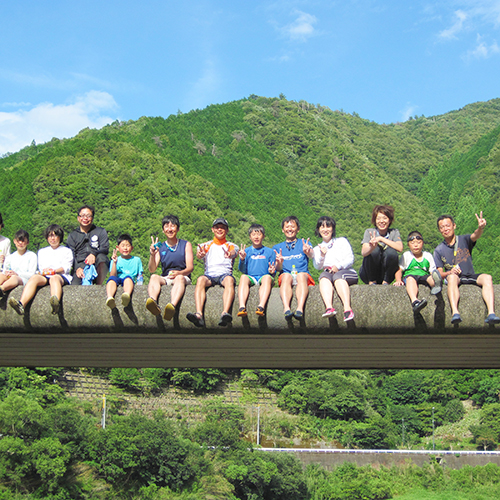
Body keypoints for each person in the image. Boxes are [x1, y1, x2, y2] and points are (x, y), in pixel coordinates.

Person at [434, 212, 500, 325]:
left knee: (487, 277)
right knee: (452, 278)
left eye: (447, 225)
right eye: (442, 227)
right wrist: (450, 272)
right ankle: (455, 313)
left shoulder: (463, 239)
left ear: (454, 226)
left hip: (470, 274)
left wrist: (480, 228)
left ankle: (491, 313)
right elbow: (439, 273)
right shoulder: (438, 250)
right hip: (456, 277)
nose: (445, 229)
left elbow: (475, 235)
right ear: (439, 230)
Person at [9, 224, 73, 316]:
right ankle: (21, 304)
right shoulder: (42, 251)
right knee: (35, 277)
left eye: (55, 235)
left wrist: (54, 271)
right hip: (46, 276)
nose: (53, 238)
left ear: (60, 237)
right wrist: (45, 271)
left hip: (61, 276)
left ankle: (55, 303)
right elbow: (42, 268)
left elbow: (66, 267)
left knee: (54, 278)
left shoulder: (66, 251)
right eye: (50, 236)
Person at [186, 217, 238, 327]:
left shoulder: (231, 245)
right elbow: (200, 253)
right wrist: (200, 255)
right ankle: (199, 314)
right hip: (209, 274)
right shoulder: (206, 245)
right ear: (212, 229)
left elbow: (234, 252)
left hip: (225, 274)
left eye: (223, 228)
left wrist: (230, 254)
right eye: (217, 227)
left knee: (229, 281)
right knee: (200, 280)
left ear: (227, 230)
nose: (220, 230)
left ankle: (225, 313)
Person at [146, 215, 193, 320]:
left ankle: (172, 306)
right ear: (163, 230)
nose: (170, 229)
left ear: (178, 229)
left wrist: (179, 273)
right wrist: (152, 254)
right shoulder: (160, 246)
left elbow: (190, 267)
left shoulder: (186, 244)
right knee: (154, 276)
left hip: (182, 276)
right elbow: (152, 269)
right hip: (167, 277)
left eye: (173, 226)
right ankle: (152, 301)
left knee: (179, 278)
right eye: (167, 226)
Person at [312, 216, 358, 321]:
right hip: (329, 273)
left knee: (338, 276)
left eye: (328, 226)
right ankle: (329, 308)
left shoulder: (342, 241)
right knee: (323, 276)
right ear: (318, 230)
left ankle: (347, 309)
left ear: (333, 229)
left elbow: (350, 259)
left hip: (346, 272)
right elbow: (317, 266)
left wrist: (338, 266)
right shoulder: (317, 249)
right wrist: (322, 255)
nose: (325, 229)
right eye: (322, 227)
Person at [273, 215, 314, 320]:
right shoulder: (277, 247)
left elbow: (313, 256)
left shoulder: (304, 243)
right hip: (286, 275)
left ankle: (300, 308)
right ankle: (286, 309)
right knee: (286, 276)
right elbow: (277, 269)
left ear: (298, 229)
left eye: (293, 226)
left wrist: (308, 251)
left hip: (302, 274)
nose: (289, 229)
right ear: (283, 230)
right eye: (287, 227)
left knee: (301, 275)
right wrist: (280, 262)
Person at [393, 231, 442, 313]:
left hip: (424, 274)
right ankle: (415, 301)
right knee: (410, 279)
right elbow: (399, 269)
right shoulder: (406, 255)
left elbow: (432, 271)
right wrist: (398, 280)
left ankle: (436, 285)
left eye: (418, 243)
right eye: (412, 243)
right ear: (408, 245)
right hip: (410, 275)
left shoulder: (428, 255)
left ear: (422, 243)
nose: (416, 245)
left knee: (431, 278)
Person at [237, 224, 275, 317]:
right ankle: (242, 307)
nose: (256, 237)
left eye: (259, 234)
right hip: (251, 277)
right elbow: (242, 270)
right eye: (254, 235)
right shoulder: (246, 251)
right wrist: (242, 259)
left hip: (264, 277)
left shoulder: (270, 252)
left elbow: (273, 272)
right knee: (243, 277)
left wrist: (271, 271)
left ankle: (261, 306)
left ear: (263, 236)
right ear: (250, 237)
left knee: (266, 278)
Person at [359, 205, 403, 285]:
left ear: (389, 220)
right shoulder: (369, 232)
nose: (381, 221)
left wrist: (381, 239)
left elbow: (399, 248)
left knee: (391, 252)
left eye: (385, 218)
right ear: (375, 221)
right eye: (378, 218)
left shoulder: (394, 232)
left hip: (385, 273)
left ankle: (386, 282)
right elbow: (364, 252)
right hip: (368, 273)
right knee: (374, 250)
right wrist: (371, 247)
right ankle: (372, 281)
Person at [67, 205, 109, 285]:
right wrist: (77, 268)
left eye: (88, 216)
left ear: (92, 218)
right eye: (82, 216)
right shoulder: (73, 235)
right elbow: (71, 254)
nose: (85, 218)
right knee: (75, 288)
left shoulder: (100, 231)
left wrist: (94, 254)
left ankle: (99, 286)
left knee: (102, 258)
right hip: (80, 265)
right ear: (78, 218)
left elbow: (105, 248)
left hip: (96, 262)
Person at [105, 234, 143, 309]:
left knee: (128, 279)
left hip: (129, 279)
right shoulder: (115, 259)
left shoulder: (137, 260)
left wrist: (140, 286)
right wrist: (114, 262)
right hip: (117, 279)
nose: (125, 248)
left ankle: (126, 295)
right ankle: (110, 298)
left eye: (128, 246)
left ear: (132, 248)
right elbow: (112, 275)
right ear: (117, 248)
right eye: (123, 246)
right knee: (111, 280)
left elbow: (140, 275)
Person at [0, 230, 37, 297]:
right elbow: (5, 270)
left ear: (27, 242)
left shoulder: (32, 255)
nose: (20, 243)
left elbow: (32, 274)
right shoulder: (10, 257)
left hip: (23, 279)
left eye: (23, 241)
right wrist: (7, 273)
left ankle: (2, 289)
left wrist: (17, 274)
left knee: (15, 278)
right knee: (1, 275)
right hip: (10, 277)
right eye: (18, 241)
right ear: (14, 241)